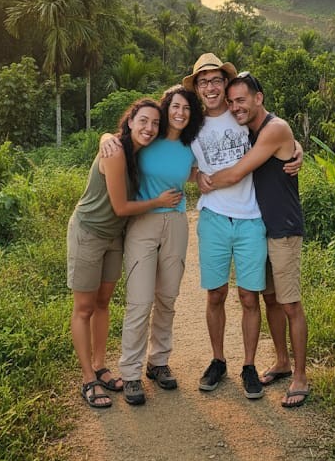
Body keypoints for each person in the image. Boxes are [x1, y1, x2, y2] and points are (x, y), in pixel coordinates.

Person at [200, 72, 309, 408]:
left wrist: (204, 181)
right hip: (262, 224)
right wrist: (298, 149)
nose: (235, 107)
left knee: (290, 304)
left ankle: (301, 377)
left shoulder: (274, 127)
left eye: (241, 100)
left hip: (283, 227)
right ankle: (281, 361)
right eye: (231, 102)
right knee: (270, 299)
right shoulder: (248, 127)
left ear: (259, 98)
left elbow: (235, 173)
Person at [67, 98, 182, 410]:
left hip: (114, 236)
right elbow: (120, 207)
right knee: (84, 308)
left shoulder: (137, 152)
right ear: (130, 121)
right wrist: (158, 201)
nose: (149, 128)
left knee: (103, 303)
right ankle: (88, 378)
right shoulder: (117, 152)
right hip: (89, 232)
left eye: (155, 124)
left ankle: (101, 366)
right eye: (143, 121)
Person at [100, 86, 204, 406]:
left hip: (175, 223)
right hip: (142, 223)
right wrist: (104, 138)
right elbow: (116, 138)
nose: (180, 113)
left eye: (187, 108)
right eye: (175, 106)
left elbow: (203, 168)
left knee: (167, 297)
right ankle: (130, 373)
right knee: (139, 301)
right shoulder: (148, 137)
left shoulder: (191, 146)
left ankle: (158, 362)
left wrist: (294, 148)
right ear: (166, 108)